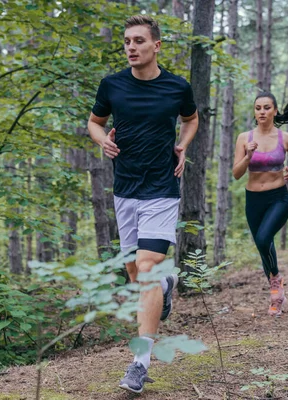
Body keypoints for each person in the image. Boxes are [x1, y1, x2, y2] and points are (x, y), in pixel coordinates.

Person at [87, 15, 199, 394]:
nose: (131, 47)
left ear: (157, 46)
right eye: (126, 42)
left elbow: (192, 117)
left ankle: (140, 362)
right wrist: (102, 139)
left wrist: (182, 144)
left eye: (138, 41)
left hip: (162, 188)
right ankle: (167, 287)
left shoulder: (177, 86)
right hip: (125, 190)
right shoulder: (112, 85)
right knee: (137, 276)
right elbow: (94, 122)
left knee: (147, 268)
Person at [232, 91, 288, 317]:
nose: (262, 112)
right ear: (254, 112)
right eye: (258, 108)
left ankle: (275, 283)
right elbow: (236, 174)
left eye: (266, 107)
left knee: (265, 238)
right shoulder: (244, 138)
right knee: (263, 245)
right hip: (253, 199)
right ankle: (276, 296)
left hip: (278, 198)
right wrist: (247, 156)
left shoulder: (286, 138)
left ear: (275, 110)